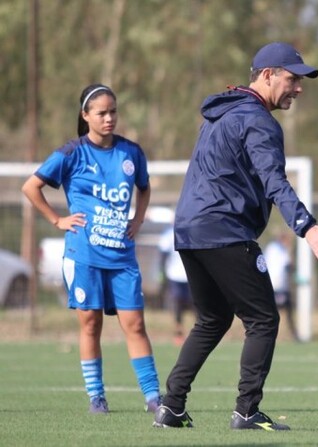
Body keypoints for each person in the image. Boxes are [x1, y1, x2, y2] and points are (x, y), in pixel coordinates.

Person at [153, 42, 318, 431]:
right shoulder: (258, 121)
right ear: (268, 75)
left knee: (213, 318)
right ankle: (247, 411)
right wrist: (307, 225)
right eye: (292, 78)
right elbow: (275, 182)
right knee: (264, 319)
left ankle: (171, 406)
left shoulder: (220, 114)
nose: (298, 88)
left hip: (189, 230)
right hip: (223, 229)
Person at [22, 84, 162, 414]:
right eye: (101, 113)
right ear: (86, 116)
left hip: (122, 255)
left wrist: (138, 219)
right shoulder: (71, 153)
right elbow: (31, 187)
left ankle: (154, 397)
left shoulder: (131, 153)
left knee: (136, 325)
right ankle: (96, 397)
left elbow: (144, 188)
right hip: (84, 255)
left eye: (113, 111)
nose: (109, 118)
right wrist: (57, 220)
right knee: (90, 325)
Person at [158, 225, 192, 345]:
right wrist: (162, 275)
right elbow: (163, 256)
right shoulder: (168, 234)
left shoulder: (193, 230)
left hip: (192, 274)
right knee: (178, 304)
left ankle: (198, 333)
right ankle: (179, 333)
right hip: (174, 274)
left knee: (196, 305)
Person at [263, 232, 298, 341]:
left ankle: (293, 335)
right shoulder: (280, 250)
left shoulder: (270, 248)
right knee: (282, 311)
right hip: (278, 286)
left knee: (273, 312)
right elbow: (287, 266)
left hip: (269, 284)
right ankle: (293, 335)